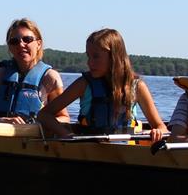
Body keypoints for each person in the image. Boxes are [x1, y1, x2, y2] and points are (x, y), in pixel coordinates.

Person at [38, 28, 168, 141]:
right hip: (89, 151)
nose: (90, 63)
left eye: (96, 57)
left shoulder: (137, 86)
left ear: (114, 58)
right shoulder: (83, 84)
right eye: (88, 57)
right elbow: (44, 115)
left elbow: (161, 127)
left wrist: (157, 132)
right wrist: (66, 134)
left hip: (126, 152)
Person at [0, 17, 64, 123]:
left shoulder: (50, 77)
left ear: (38, 44)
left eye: (27, 39)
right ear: (10, 47)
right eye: (14, 41)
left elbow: (64, 117)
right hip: (1, 134)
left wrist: (38, 125)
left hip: (33, 135)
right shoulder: (0, 74)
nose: (21, 44)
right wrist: (1, 120)